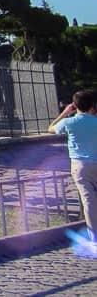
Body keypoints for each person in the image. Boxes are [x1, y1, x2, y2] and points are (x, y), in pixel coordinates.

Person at [49, 90, 97, 241]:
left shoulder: (69, 122)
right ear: (92, 106)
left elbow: (51, 128)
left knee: (88, 201)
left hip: (80, 165)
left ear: (74, 106)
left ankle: (94, 238)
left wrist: (64, 113)